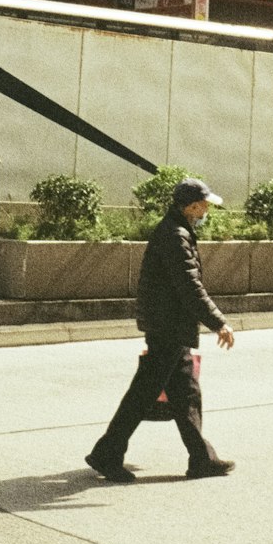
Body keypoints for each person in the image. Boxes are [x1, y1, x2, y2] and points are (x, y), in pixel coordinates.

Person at [85, 177, 235, 484]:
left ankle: (201, 459)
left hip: (170, 324)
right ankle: (107, 453)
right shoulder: (175, 235)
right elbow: (189, 287)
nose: (207, 209)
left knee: (185, 393)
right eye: (204, 204)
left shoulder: (177, 230)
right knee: (143, 393)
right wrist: (218, 322)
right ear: (192, 206)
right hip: (167, 325)